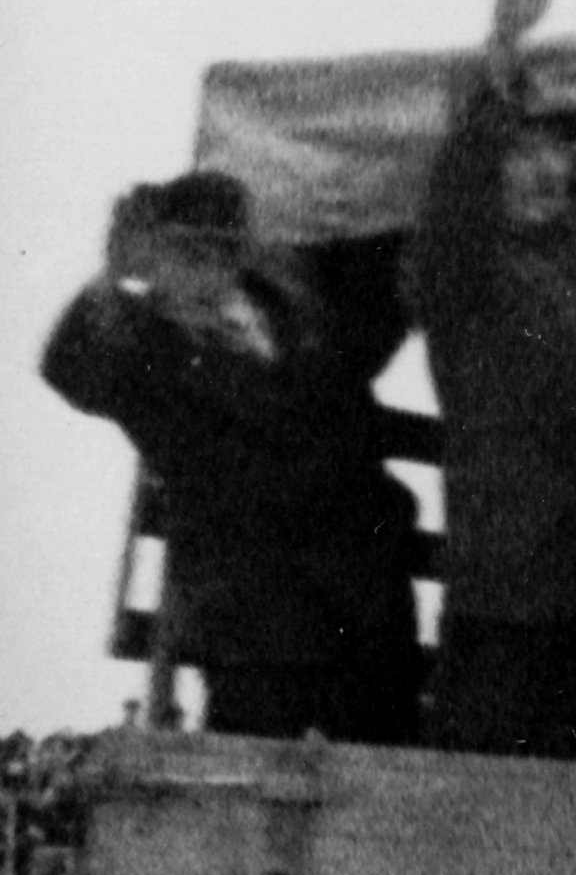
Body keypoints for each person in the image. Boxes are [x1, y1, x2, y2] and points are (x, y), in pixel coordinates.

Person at [40, 169, 425, 743]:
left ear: (240, 254)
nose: (203, 270)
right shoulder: (148, 352)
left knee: (384, 759)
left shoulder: (292, 315)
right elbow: (68, 365)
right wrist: (112, 277)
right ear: (156, 258)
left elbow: (378, 316)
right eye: (185, 252)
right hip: (252, 619)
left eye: (219, 251)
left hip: (363, 597)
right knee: (255, 763)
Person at [407, 0, 576, 758]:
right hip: (510, 589)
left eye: (555, 150)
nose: (544, 170)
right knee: (485, 784)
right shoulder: (463, 270)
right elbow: (454, 198)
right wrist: (503, 45)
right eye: (520, 151)